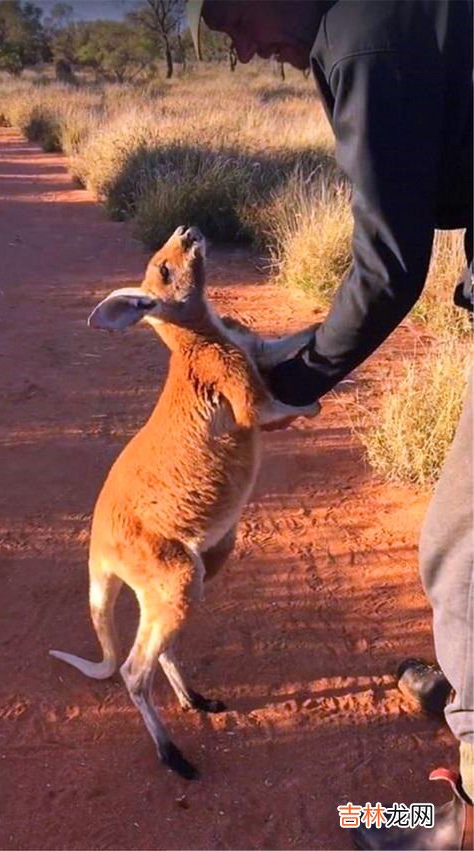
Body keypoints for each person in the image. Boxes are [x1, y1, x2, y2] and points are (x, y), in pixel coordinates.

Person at [187, 2, 473, 848]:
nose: (239, 49)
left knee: (461, 551)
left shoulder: (360, 38)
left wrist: (286, 383)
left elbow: (389, 268)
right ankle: (464, 686)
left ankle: (460, 816)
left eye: (228, 18)